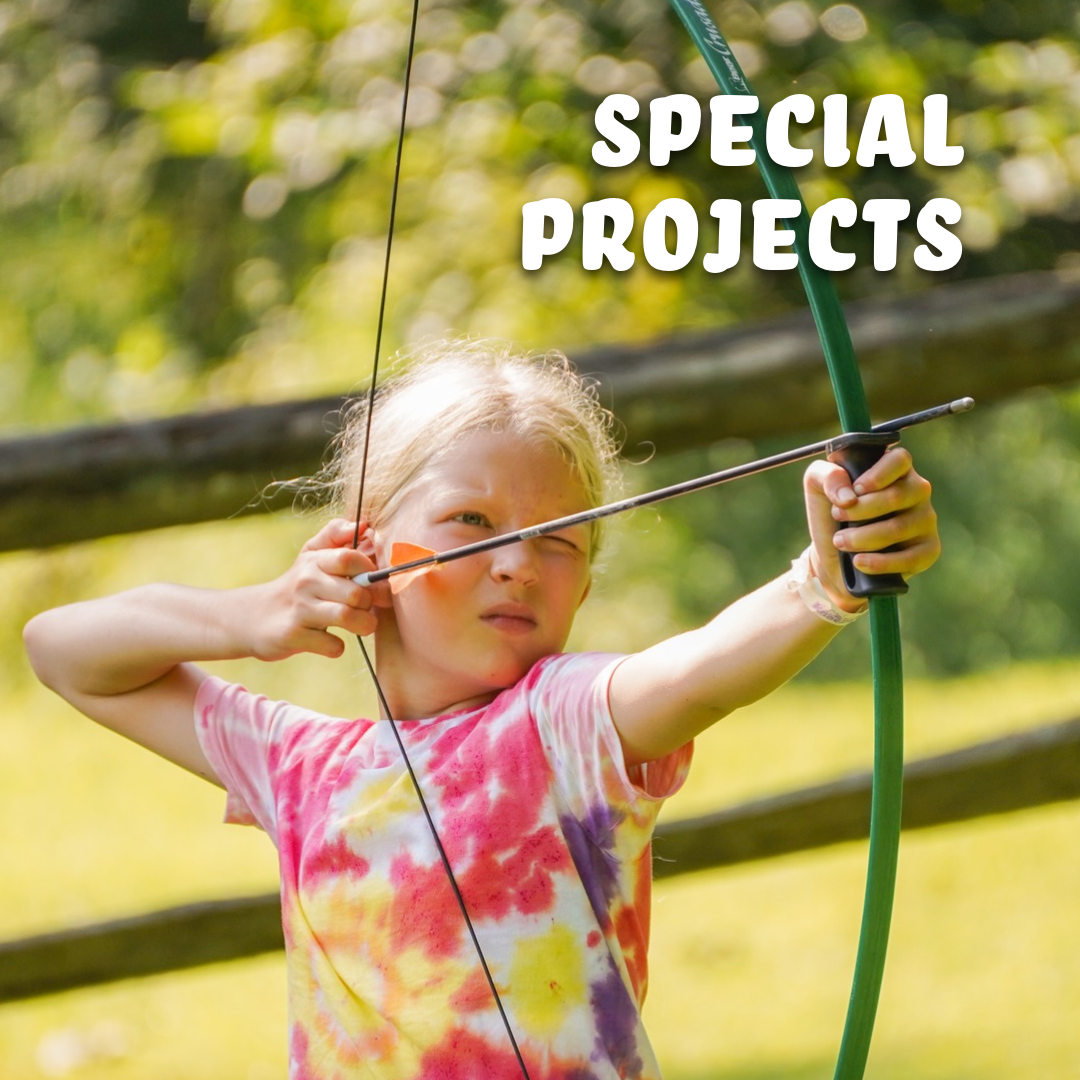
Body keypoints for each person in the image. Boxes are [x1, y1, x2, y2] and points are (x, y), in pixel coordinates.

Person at [23, 340, 940, 1080]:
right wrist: (249, 616)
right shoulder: (299, 768)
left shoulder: (560, 726)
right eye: (471, 521)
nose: (518, 564)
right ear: (366, 546)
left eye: (560, 539)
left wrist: (824, 582)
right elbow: (62, 649)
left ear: (585, 582)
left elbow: (695, 675)